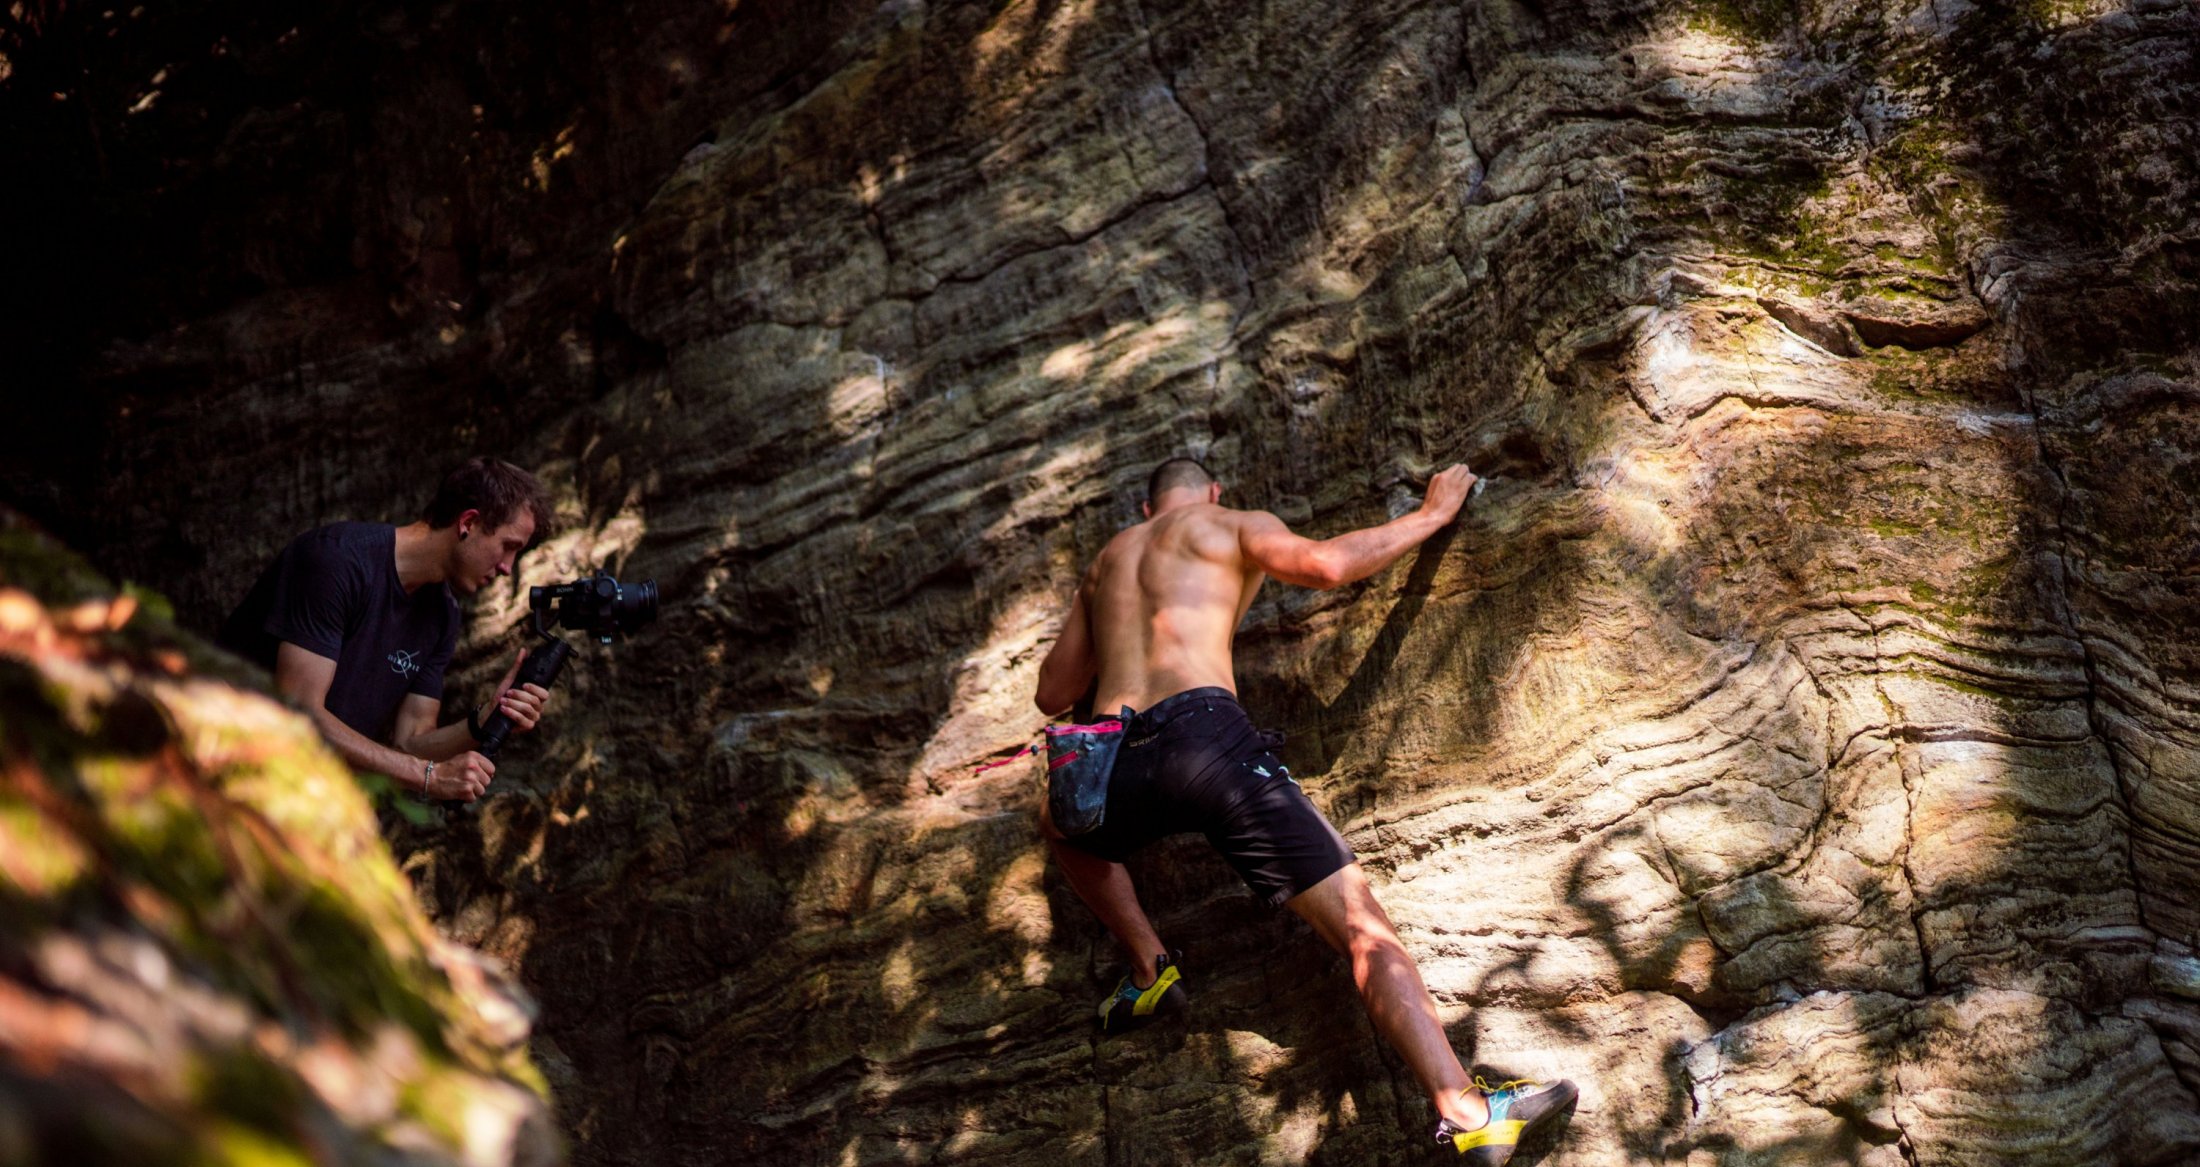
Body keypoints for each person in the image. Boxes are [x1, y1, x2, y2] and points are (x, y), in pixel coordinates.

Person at [1033, 457, 1575, 1162]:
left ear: (1145, 508)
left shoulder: (1107, 561)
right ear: (1212, 492)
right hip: (1206, 739)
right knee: (1360, 928)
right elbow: (1325, 565)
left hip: (1114, 760)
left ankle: (1148, 967)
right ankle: (1468, 1110)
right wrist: (1431, 514)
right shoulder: (1227, 524)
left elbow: (1053, 690)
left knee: (1059, 824)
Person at [217, 457, 556, 803]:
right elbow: (300, 712)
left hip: (293, 801)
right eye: (509, 546)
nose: (506, 568)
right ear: (468, 522)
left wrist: (485, 719)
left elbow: (410, 742)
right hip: (214, 771)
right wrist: (429, 777)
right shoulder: (338, 562)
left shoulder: (442, 614)